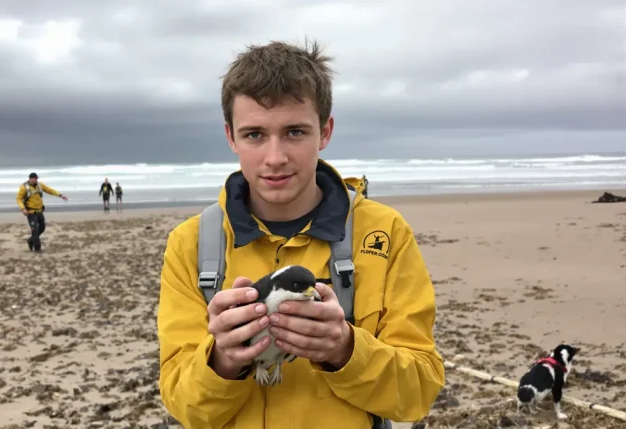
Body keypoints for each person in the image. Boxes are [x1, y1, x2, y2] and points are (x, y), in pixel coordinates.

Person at [157, 40, 445, 428]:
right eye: (254, 135)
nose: (275, 157)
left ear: (324, 132)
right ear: (231, 137)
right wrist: (225, 359)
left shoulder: (384, 233)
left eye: (295, 132)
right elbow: (183, 404)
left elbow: (419, 391)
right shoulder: (191, 245)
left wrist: (345, 349)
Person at [16, 172, 68, 252]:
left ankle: (30, 240)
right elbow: (18, 199)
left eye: (37, 178)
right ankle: (38, 249)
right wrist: (23, 208)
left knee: (42, 227)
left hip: (39, 211)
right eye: (35, 178)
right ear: (31, 179)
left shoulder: (40, 185)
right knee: (35, 231)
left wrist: (60, 195)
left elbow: (49, 190)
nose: (36, 180)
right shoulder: (24, 187)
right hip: (31, 212)